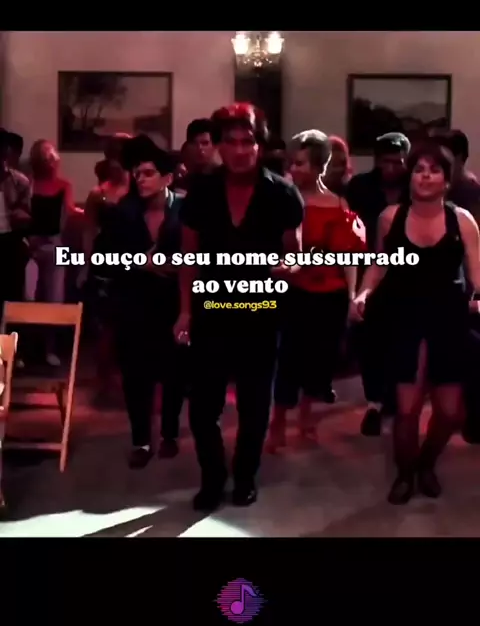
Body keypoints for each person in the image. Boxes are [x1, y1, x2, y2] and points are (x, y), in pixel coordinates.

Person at [175, 102, 304, 511]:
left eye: (247, 141)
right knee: (202, 407)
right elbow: (188, 257)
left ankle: (245, 475)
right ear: (218, 146)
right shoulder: (202, 191)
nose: (240, 150)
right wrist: (185, 311)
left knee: (254, 405)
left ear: (260, 145)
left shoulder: (282, 192)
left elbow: (295, 255)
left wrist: (283, 267)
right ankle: (213, 477)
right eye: (230, 142)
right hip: (210, 308)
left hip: (261, 310)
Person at [350, 142, 480, 504]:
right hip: (405, 316)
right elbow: (379, 264)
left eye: (434, 170)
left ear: (447, 180)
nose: (425, 176)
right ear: (411, 177)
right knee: (406, 410)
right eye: (419, 169)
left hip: (449, 319)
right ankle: (405, 473)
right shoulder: (391, 217)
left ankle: (427, 464)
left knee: (450, 413)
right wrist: (363, 294)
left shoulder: (462, 221)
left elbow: (478, 274)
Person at [267, 131, 366, 452]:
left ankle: (306, 419)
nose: (293, 169)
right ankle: (277, 422)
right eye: (291, 163)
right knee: (286, 360)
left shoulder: (339, 204)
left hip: (330, 296)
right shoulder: (281, 198)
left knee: (319, 361)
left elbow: (348, 258)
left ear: (319, 166)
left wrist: (351, 297)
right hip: (291, 292)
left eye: (300, 163)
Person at [110, 140, 187, 467]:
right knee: (135, 375)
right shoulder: (123, 212)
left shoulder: (185, 209)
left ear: (167, 178)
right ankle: (140, 440)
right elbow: (105, 259)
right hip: (134, 303)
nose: (140, 179)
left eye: (148, 173)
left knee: (175, 372)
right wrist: (141, 262)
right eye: (137, 173)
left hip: (174, 303)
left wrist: (176, 265)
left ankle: (169, 433)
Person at [347, 132, 411, 437]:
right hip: (368, 269)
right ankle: (374, 402)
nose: (392, 168)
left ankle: (395, 400)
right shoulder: (360, 187)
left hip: (407, 275)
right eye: (386, 161)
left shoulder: (416, 186)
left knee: (402, 341)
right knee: (369, 341)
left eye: (398, 162)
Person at [81, 135, 131, 404]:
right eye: (113, 156)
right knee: (105, 326)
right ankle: (105, 383)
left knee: (132, 324)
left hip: (134, 263)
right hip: (105, 263)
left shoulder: (141, 190)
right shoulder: (97, 193)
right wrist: (85, 266)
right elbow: (89, 231)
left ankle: (132, 381)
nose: (117, 162)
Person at [25, 141, 74, 366]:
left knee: (55, 298)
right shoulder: (28, 184)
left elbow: (69, 211)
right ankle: (23, 349)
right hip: (30, 245)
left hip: (55, 244)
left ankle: (50, 349)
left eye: (52, 159)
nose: (53, 163)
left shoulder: (64, 185)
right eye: (48, 159)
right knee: (27, 298)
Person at [0, 131, 31, 321]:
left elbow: (29, 216)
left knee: (12, 299)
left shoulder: (19, 181)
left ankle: (12, 335)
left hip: (10, 243)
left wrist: (20, 216)